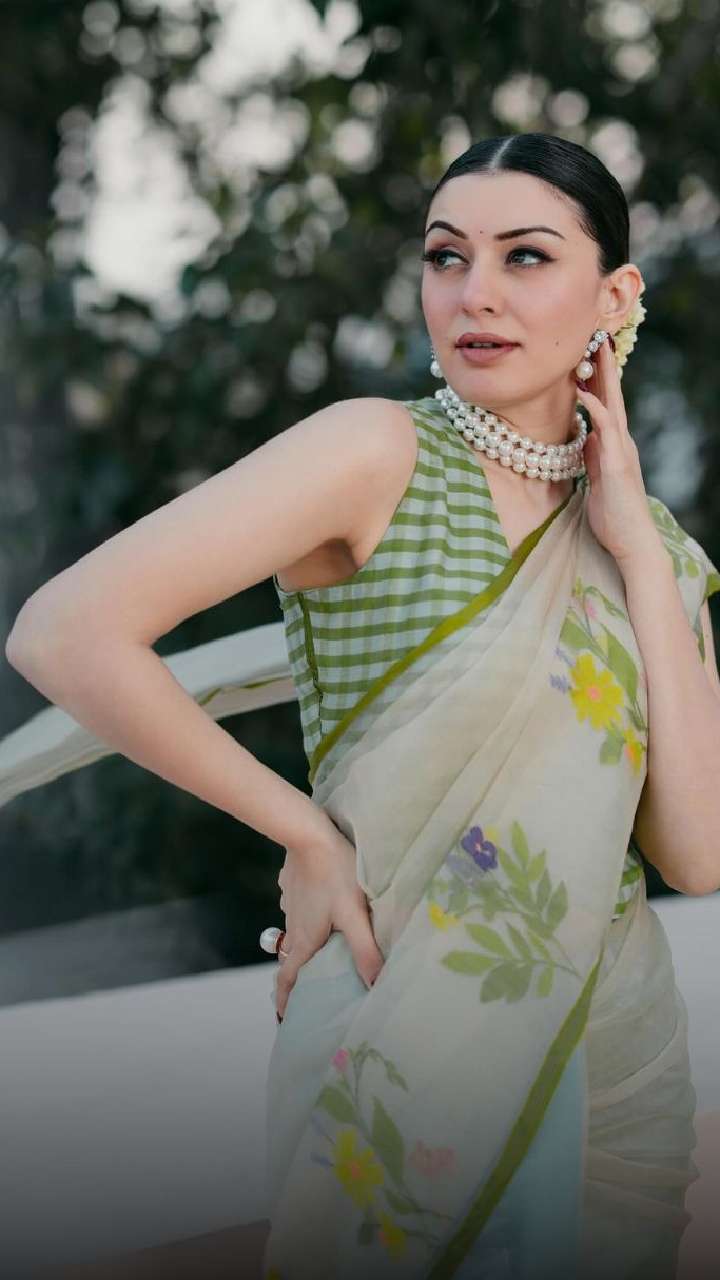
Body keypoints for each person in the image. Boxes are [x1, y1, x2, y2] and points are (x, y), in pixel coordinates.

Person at [5, 133, 720, 1280]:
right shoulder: (377, 453)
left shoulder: (662, 553)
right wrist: (303, 832)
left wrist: (634, 546)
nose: (475, 292)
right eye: (447, 256)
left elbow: (695, 851)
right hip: (401, 1052)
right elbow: (63, 632)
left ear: (614, 295)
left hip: (616, 1076)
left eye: (526, 255)